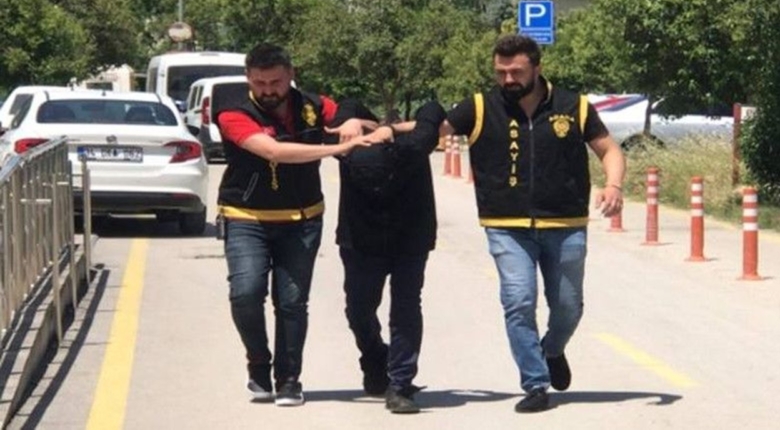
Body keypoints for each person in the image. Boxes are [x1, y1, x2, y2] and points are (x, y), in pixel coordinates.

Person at [440, 34, 626, 413]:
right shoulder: (480, 107)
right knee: (518, 301)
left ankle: (552, 349)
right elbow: (434, 129)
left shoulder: (573, 106)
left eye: (516, 72)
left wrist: (614, 185)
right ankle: (535, 382)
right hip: (506, 226)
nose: (508, 79)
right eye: (500, 72)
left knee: (568, 307)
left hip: (566, 223)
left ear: (537, 68)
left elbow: (609, 149)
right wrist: (385, 129)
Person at [215, 42, 374, 407]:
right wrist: (337, 149)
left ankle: (289, 379)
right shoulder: (231, 109)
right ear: (248, 78)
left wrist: (351, 119)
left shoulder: (312, 106)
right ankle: (258, 362)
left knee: (292, 302)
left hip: (302, 219)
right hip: (246, 217)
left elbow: (352, 112)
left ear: (291, 75)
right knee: (246, 293)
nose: (268, 90)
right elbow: (273, 151)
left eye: (275, 82)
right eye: (259, 83)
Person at [331, 99, 445, 414]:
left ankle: (400, 383)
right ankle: (374, 355)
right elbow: (346, 108)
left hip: (410, 235)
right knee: (358, 309)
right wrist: (352, 122)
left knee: (406, 308)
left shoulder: (413, 146)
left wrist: (390, 131)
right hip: (360, 237)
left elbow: (432, 111)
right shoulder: (348, 145)